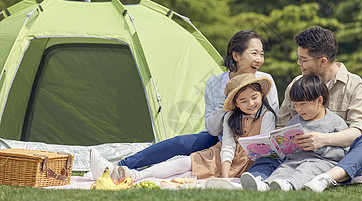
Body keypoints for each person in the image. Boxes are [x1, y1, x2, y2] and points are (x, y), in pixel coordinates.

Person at [89, 30, 279, 180]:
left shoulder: (265, 81)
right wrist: (228, 102)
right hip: (222, 136)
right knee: (180, 142)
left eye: (261, 54)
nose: (259, 60)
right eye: (254, 53)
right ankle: (119, 166)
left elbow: (272, 119)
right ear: (236, 56)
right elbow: (212, 130)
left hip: (251, 144)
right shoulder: (215, 83)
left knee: (189, 165)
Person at [241, 25, 362, 192]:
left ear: (322, 61)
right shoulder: (296, 84)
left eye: (303, 59)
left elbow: (358, 131)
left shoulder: (356, 86)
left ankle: (328, 178)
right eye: (298, 57)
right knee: (270, 152)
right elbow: (281, 126)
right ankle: (260, 180)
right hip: (296, 156)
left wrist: (323, 140)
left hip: (334, 158)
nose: (298, 63)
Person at [91, 74, 277, 181]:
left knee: (187, 175)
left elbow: (261, 146)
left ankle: (133, 175)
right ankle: (132, 174)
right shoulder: (230, 116)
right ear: (235, 104)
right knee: (185, 162)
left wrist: (227, 178)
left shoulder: (266, 116)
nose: (251, 103)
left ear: (261, 95)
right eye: (243, 101)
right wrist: (225, 173)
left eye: (254, 97)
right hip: (222, 156)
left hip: (247, 160)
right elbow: (227, 147)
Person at [246, 74, 349, 191]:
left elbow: (344, 153)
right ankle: (266, 185)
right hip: (294, 160)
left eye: (303, 104)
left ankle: (289, 185)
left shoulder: (335, 121)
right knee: (283, 169)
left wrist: (319, 148)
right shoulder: (295, 120)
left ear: (319, 100)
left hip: (320, 162)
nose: (299, 109)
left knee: (306, 169)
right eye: (296, 104)